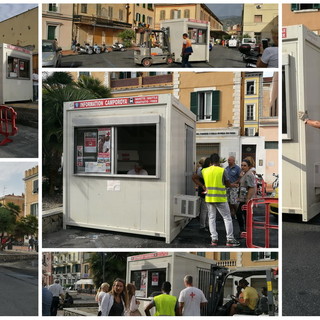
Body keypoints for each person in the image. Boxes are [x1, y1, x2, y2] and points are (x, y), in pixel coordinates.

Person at [193, 153, 240, 247]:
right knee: (227, 218)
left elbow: (194, 177)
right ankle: (230, 239)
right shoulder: (222, 170)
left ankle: (214, 238)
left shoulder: (204, 170)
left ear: (210, 161)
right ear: (218, 161)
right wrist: (232, 185)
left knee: (211, 218)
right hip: (220, 198)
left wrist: (202, 186)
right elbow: (227, 184)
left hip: (209, 198)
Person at [235, 159, 256, 237]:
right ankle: (244, 231)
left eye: (245, 165)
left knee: (241, 214)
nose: (242, 167)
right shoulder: (245, 174)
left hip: (246, 199)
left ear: (249, 166)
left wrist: (248, 199)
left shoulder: (249, 174)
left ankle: (245, 231)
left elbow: (251, 187)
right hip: (242, 198)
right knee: (242, 214)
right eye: (242, 165)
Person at [192, 157, 210, 232]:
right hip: (205, 192)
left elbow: (194, 178)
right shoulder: (203, 171)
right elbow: (194, 178)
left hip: (204, 191)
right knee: (205, 210)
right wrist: (202, 186)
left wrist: (201, 186)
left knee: (206, 210)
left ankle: (205, 225)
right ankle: (203, 225)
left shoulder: (202, 170)